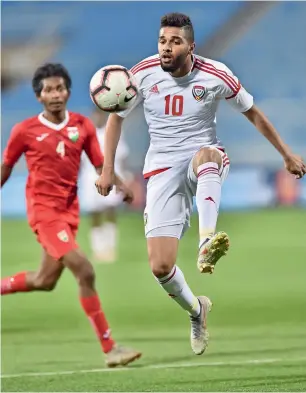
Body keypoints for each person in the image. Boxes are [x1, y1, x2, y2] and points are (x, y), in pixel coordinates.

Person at [95, 13, 306, 356]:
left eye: (175, 42)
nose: (166, 48)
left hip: (202, 156)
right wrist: (107, 170)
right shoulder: (142, 73)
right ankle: (197, 311)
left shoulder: (215, 75)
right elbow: (116, 117)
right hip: (162, 170)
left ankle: (207, 239)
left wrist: (285, 154)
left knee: (207, 156)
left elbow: (253, 112)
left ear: (191, 46)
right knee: (160, 267)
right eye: (163, 41)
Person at [1, 63, 141, 368]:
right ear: (39, 95)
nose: (55, 94)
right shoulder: (24, 131)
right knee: (85, 270)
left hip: (69, 214)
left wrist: (122, 186)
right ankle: (110, 348)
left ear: (68, 91)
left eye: (60, 88)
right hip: (44, 213)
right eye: (49, 89)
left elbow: (100, 163)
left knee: (44, 280)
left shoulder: (83, 126)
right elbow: (6, 168)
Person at [81, 108, 131, 263]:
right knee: (94, 214)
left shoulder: (113, 133)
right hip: (89, 179)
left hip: (111, 177)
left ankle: (110, 248)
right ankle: (98, 250)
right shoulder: (85, 135)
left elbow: (122, 156)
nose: (96, 117)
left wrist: (124, 178)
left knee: (110, 211)